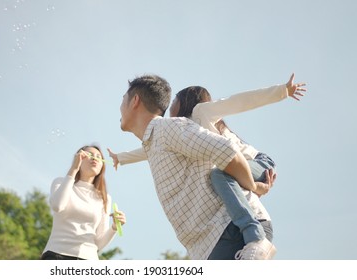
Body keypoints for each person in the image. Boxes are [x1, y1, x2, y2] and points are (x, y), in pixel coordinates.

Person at [110, 74, 306, 259]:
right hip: (208, 245)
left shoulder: (184, 121)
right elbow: (145, 150)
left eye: (121, 99)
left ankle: (256, 238)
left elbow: (236, 116)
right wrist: (120, 158)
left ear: (135, 100)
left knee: (219, 175)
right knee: (220, 174)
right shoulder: (161, 139)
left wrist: (282, 91)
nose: (170, 112)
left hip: (235, 219)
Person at [41, 145, 126, 260]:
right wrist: (73, 169)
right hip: (56, 255)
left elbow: (98, 243)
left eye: (98, 157)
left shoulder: (104, 198)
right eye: (89, 155)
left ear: (102, 166)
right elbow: (57, 206)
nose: (94, 158)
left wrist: (114, 227)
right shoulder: (61, 182)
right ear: (79, 159)